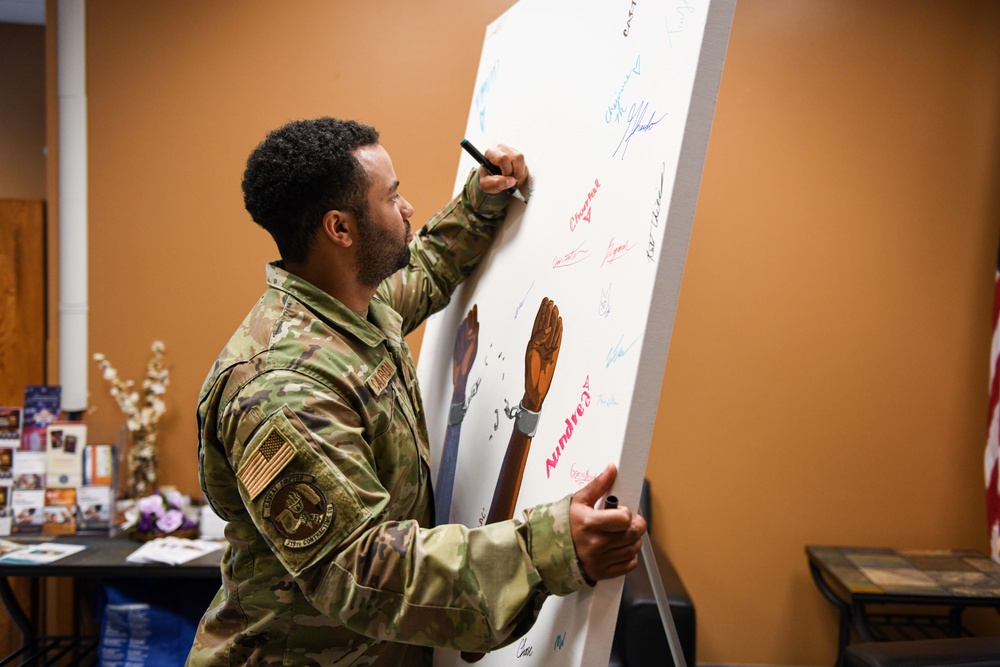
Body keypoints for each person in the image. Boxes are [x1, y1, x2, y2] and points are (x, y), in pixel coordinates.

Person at [186, 117, 646, 666]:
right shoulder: (283, 389)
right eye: (393, 196)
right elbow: (362, 569)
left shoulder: (352, 307)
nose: (407, 209)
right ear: (340, 228)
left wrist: (480, 202)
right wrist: (547, 547)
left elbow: (425, 268)